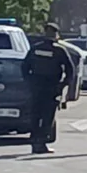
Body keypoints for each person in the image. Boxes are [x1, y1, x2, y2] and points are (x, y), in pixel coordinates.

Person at [21, 22, 75, 155]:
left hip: (36, 86)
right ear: (56, 35)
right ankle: (42, 143)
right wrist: (63, 85)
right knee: (47, 116)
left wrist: (29, 81)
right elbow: (70, 70)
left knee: (35, 115)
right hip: (52, 87)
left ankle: (35, 143)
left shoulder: (35, 48)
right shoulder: (59, 50)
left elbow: (24, 67)